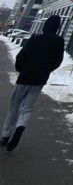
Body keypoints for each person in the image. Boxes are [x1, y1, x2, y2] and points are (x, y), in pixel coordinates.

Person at [1, 15, 65, 151]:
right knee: (27, 108)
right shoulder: (59, 41)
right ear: (57, 27)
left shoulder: (35, 38)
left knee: (14, 105)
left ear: (45, 26)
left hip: (25, 76)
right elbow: (57, 61)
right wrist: (46, 70)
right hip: (40, 79)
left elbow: (22, 55)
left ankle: (5, 135)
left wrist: (20, 68)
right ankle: (20, 127)